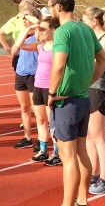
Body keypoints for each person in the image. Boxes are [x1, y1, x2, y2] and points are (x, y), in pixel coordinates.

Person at [46, 0, 105, 206]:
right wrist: (86, 82)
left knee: (68, 157)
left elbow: (59, 65)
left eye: (50, 6)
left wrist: (52, 93)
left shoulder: (63, 31)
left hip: (66, 101)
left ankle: (67, 204)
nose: (49, 10)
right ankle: (82, 199)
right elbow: (103, 60)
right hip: (82, 99)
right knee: (82, 153)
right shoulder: (85, 28)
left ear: (59, 7)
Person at [18, 17, 61, 165]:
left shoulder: (58, 46)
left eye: (43, 29)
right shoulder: (40, 46)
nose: (40, 32)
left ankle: (57, 152)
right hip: (38, 86)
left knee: (52, 122)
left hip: (50, 87)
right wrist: (29, 30)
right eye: (39, 29)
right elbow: (19, 45)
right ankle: (43, 150)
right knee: (40, 120)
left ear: (53, 30)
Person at [82, 7, 105, 194]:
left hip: (98, 89)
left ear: (94, 21)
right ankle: (94, 174)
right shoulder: (93, 38)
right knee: (88, 136)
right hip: (87, 87)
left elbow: (93, 62)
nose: (83, 24)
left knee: (99, 136)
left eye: (85, 20)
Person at [10, 8, 42, 149]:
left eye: (27, 18)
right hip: (21, 73)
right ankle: (27, 137)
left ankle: (41, 139)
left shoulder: (39, 34)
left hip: (34, 74)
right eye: (23, 19)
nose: (24, 20)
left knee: (37, 110)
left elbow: (39, 22)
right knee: (24, 108)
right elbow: (13, 51)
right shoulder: (23, 36)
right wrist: (25, 29)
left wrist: (29, 19)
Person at [0, 0, 38, 70]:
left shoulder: (36, 19)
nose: (28, 10)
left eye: (31, 8)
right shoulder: (15, 20)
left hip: (34, 51)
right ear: (21, 9)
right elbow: (0, 33)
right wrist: (8, 49)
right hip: (19, 51)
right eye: (25, 9)